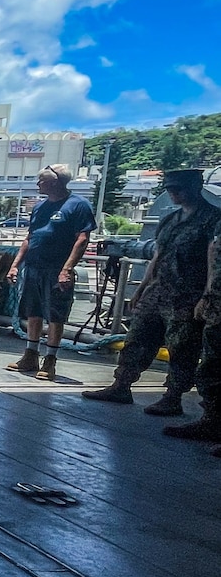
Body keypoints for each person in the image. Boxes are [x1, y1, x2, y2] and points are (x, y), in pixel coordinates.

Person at [84, 169, 221, 413]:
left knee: (182, 348)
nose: (173, 193)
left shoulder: (212, 220)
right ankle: (121, 385)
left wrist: (207, 296)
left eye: (178, 189)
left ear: (195, 187)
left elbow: (214, 260)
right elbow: (158, 256)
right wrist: (142, 289)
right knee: (137, 338)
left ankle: (173, 397)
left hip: (188, 296)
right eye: (169, 189)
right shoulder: (171, 220)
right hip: (158, 291)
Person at [4, 164, 95, 381]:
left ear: (54, 183)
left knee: (55, 315)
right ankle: (30, 355)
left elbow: (82, 239)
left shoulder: (78, 205)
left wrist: (67, 269)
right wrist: (15, 265)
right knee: (33, 312)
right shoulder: (40, 207)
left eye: (41, 181)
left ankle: (50, 360)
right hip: (34, 267)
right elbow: (30, 238)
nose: (38, 184)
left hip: (57, 269)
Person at [165, 192, 221, 447]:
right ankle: (213, 421)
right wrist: (208, 294)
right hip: (212, 298)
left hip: (202, 294)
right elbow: (214, 254)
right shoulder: (174, 219)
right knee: (211, 364)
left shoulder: (211, 218)